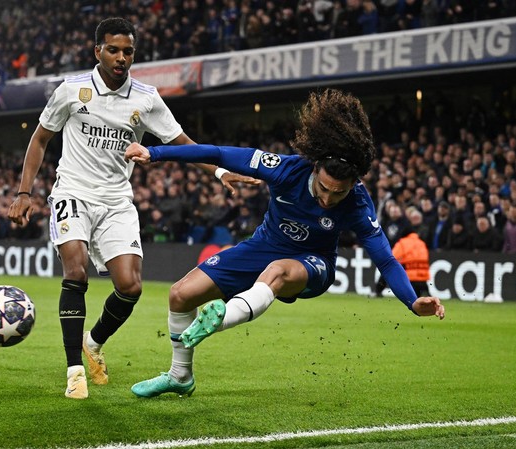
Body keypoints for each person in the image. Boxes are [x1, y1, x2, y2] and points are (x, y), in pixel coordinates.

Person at [124, 89, 445, 398]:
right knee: (180, 295)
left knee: (277, 271)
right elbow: (218, 153)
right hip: (262, 248)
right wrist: (155, 153)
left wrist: (412, 301)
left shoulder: (358, 204)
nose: (328, 198)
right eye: (324, 188)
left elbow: (386, 261)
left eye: (339, 192)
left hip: (312, 265)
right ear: (315, 166)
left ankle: (219, 320)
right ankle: (181, 376)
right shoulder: (285, 169)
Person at [7, 17, 256, 400]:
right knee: (76, 272)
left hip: (116, 200)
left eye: (128, 51)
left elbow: (183, 142)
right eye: (113, 49)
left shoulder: (146, 98)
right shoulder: (71, 90)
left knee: (131, 286)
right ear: (98, 51)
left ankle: (93, 343)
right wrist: (25, 192)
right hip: (72, 191)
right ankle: (75, 369)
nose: (121, 57)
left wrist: (220, 172)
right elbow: (40, 139)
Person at [391, 226, 431, 297]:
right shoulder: (421, 243)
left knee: (388, 268)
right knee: (424, 300)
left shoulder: (402, 243)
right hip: (423, 279)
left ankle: (377, 291)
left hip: (410, 279)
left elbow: (392, 258)